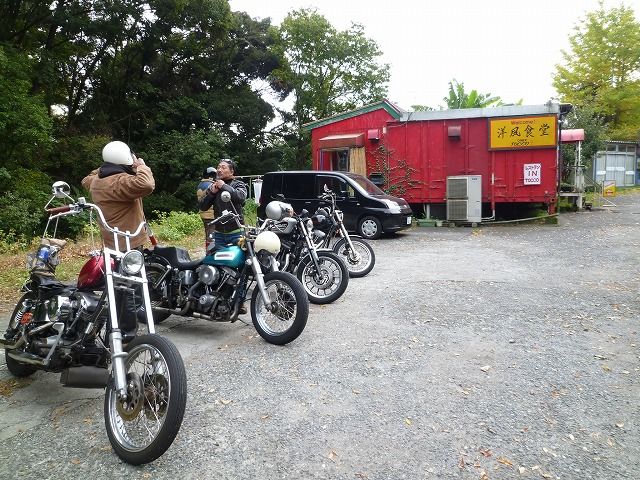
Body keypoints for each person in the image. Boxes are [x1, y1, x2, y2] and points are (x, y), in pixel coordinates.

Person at [82, 140, 155, 339]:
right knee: (130, 290)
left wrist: (105, 165)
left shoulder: (97, 181)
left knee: (117, 288)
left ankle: (114, 331)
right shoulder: (120, 181)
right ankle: (126, 336)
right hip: (128, 244)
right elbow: (147, 184)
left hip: (111, 243)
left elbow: (87, 178)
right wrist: (140, 166)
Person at [198, 158, 247, 251]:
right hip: (218, 234)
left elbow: (241, 197)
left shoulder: (238, 184)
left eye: (223, 167)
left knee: (241, 256)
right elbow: (203, 207)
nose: (219, 170)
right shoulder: (213, 187)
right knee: (215, 256)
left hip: (237, 232)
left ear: (231, 171)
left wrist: (224, 186)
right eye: (218, 167)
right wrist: (212, 193)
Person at [196, 166, 216, 249]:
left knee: (208, 234)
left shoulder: (200, 185)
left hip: (203, 214)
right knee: (211, 237)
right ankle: (210, 252)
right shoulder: (210, 185)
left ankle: (208, 250)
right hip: (211, 215)